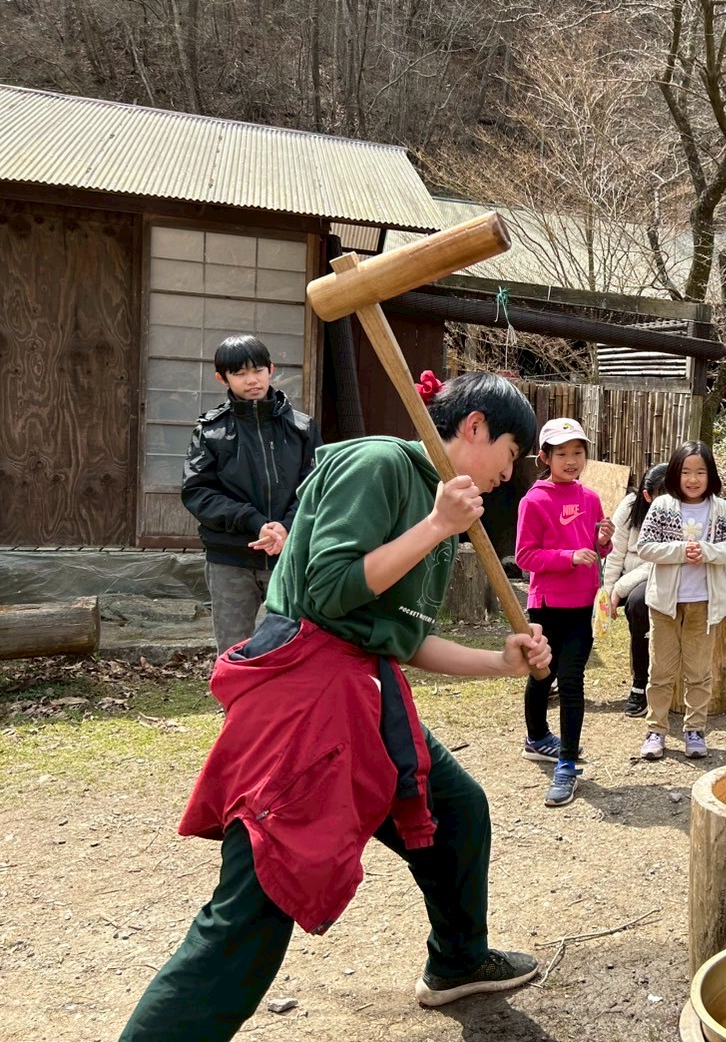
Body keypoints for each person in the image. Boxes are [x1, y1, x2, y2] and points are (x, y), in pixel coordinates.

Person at [118, 371, 552, 1041]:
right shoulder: (380, 464)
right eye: (512, 452)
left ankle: (458, 961)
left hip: (363, 691)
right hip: (304, 695)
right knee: (260, 896)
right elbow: (328, 590)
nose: (509, 472)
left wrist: (500, 662)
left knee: (456, 812)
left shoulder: (445, 506)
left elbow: (403, 640)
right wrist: (436, 525)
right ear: (474, 428)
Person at [181, 335, 322, 654]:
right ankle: (237, 692)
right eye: (240, 373)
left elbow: (316, 486)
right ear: (222, 378)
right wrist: (254, 522)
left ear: (271, 369)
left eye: (258, 370)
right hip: (230, 558)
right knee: (234, 651)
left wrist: (287, 526)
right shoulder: (210, 432)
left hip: (289, 556)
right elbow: (197, 493)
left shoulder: (302, 428)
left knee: (293, 648)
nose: (252, 380)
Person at [515, 417, 613, 808]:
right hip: (546, 606)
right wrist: (568, 557)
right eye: (561, 454)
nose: (571, 460)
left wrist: (602, 541)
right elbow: (525, 557)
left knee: (571, 680)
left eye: (577, 452)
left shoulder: (590, 499)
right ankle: (537, 738)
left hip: (583, 606)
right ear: (545, 458)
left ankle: (567, 764)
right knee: (542, 675)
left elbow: (596, 550)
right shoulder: (533, 500)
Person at [636, 441, 726, 761]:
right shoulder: (662, 506)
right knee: (661, 671)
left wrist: (709, 552)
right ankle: (656, 730)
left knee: (698, 672)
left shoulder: (721, 509)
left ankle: (695, 729)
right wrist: (681, 551)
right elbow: (645, 547)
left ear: (710, 475)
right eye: (686, 472)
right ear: (675, 473)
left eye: (700, 472)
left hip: (704, 603)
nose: (693, 479)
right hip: (665, 604)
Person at [602, 462, 668, 717]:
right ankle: (561, 676)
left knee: (638, 603)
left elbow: (659, 561)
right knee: (585, 600)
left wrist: (620, 588)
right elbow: (614, 551)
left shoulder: (680, 513)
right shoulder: (630, 506)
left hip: (657, 574)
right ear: (647, 495)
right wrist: (607, 591)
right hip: (624, 572)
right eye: (663, 495)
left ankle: (640, 683)